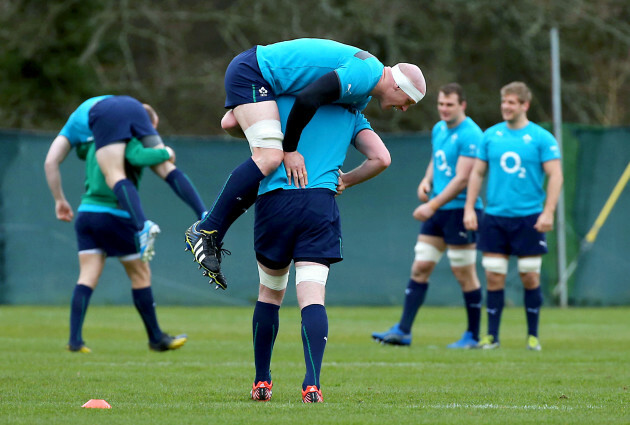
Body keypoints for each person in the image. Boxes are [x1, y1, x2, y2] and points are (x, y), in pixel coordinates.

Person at [185, 38, 425, 290]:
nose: (405, 109)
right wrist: (290, 149)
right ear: (397, 86)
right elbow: (309, 98)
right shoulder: (366, 74)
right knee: (270, 157)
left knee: (238, 131)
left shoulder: (362, 91)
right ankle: (206, 230)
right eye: (409, 101)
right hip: (254, 71)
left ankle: (210, 231)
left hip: (262, 78)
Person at [247, 95, 391, 403]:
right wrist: (348, 181)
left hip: (275, 201)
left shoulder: (279, 102)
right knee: (311, 296)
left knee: (270, 292)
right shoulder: (351, 112)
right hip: (318, 204)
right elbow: (381, 158)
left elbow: (232, 123)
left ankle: (262, 381)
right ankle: (312, 384)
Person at [44, 135, 188, 353]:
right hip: (115, 213)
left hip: (87, 213)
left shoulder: (96, 141)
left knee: (87, 276)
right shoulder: (127, 139)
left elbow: (81, 150)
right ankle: (156, 338)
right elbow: (137, 156)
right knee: (140, 273)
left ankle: (75, 341)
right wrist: (166, 152)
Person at [372, 83, 484, 348]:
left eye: (450, 105)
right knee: (421, 266)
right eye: (441, 104)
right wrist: (426, 180)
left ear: (462, 105)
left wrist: (431, 206)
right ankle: (403, 330)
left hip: (459, 211)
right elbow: (437, 159)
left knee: (464, 273)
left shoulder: (471, 134)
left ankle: (473, 335)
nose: (444, 109)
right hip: (437, 210)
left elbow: (462, 179)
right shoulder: (439, 129)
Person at [463, 82, 563, 351]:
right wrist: (470, 208)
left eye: (512, 102)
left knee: (529, 276)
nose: (506, 107)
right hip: (495, 218)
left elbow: (556, 175)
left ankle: (533, 337)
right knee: (494, 276)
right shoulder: (491, 136)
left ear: (524, 105)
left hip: (529, 218)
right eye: (504, 102)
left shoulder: (542, 138)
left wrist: (548, 212)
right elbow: (477, 173)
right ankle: (491, 337)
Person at [53, 95, 206, 261]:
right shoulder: (124, 129)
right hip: (119, 110)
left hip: (90, 210)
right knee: (163, 168)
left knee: (114, 174)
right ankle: (202, 213)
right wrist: (166, 152)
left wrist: (59, 200)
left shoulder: (93, 135)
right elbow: (137, 156)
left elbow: (64, 158)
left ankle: (146, 225)